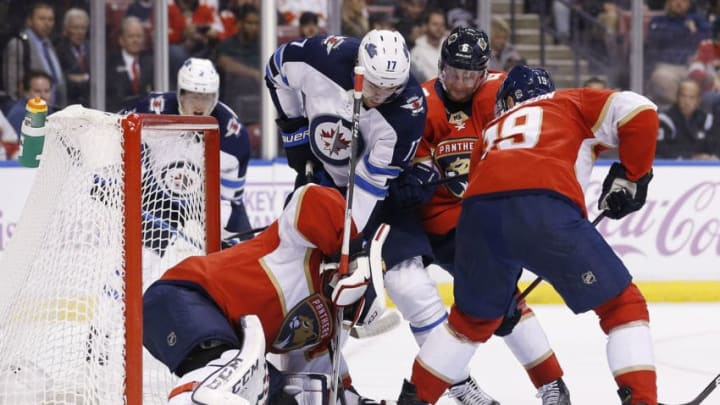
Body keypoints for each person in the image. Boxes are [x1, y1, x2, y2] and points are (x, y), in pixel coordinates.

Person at [395, 65, 659, 405]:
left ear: (505, 101)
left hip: (476, 217)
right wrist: (633, 174)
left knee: (468, 323)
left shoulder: (491, 129)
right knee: (623, 306)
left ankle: (414, 400)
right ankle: (642, 400)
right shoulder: (567, 102)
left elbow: (494, 194)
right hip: (545, 206)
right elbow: (640, 109)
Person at [391, 27, 570, 404]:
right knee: (412, 293)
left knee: (505, 303)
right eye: (453, 72)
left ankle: (552, 385)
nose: (460, 82)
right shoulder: (418, 104)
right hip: (414, 214)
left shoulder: (502, 92)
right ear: (440, 67)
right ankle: (460, 384)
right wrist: (418, 176)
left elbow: (546, 115)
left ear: (485, 71)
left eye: (470, 75)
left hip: (468, 219)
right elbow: (404, 167)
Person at [143, 183, 388, 404]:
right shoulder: (298, 248)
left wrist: (355, 401)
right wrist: (353, 251)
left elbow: (315, 385)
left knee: (280, 396)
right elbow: (310, 196)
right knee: (239, 375)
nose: (344, 312)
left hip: (223, 339)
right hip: (182, 296)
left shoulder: (321, 331)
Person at [121, 57, 253, 243]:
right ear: (180, 94)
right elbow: (114, 135)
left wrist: (226, 234)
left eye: (206, 97)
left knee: (243, 261)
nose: (199, 105)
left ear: (215, 97)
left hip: (207, 204)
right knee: (145, 259)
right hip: (158, 199)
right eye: (193, 96)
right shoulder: (152, 110)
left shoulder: (232, 136)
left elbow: (230, 200)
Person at [2, 1, 66, 108]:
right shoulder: (19, 43)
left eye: (50, 19)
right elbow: (11, 86)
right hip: (30, 112)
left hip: (53, 109)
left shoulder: (49, 44)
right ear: (30, 21)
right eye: (42, 19)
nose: (47, 23)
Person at [656, 78, 719, 159]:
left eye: (691, 97)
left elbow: (715, 147)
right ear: (677, 97)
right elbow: (660, 149)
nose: (687, 101)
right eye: (683, 96)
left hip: (703, 169)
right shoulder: (664, 120)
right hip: (672, 168)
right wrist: (691, 157)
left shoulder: (707, 120)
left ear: (698, 100)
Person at [106, 16, 153, 113]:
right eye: (131, 36)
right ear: (121, 40)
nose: (135, 40)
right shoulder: (109, 63)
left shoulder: (151, 63)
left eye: (139, 36)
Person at [56, 8, 90, 106]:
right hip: (68, 102)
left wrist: (83, 78)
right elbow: (62, 79)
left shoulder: (93, 48)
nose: (80, 32)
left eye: (83, 28)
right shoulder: (58, 49)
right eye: (75, 27)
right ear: (66, 29)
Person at [6, 70, 53, 136]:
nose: (43, 96)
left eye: (47, 91)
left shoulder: (50, 110)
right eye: (37, 91)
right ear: (26, 93)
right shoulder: (19, 114)